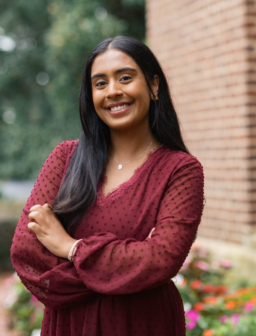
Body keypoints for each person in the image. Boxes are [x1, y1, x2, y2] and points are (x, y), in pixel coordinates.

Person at [10, 36, 204, 336]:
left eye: (125, 78)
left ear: (154, 86)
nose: (113, 91)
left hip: (142, 324)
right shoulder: (65, 159)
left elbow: (162, 259)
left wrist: (70, 247)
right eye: (100, 83)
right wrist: (126, 266)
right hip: (70, 325)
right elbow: (26, 251)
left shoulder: (181, 171)